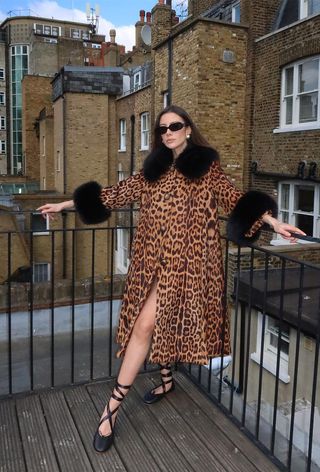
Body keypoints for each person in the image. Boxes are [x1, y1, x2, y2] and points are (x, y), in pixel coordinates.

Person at [37, 105, 305, 453]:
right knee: (155, 325)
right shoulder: (152, 170)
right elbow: (113, 195)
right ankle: (166, 381)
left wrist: (273, 222)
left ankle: (110, 411)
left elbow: (233, 198)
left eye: (175, 126)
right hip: (150, 262)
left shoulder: (206, 167)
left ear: (188, 129)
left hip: (188, 264)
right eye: (162, 128)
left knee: (145, 327)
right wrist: (63, 206)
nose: (168, 132)